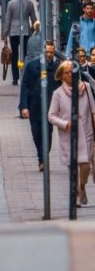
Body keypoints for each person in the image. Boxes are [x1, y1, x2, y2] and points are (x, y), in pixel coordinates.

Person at [48, 61, 95, 205]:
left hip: (86, 133)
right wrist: (64, 123)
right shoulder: (58, 94)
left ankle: (82, 186)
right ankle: (74, 197)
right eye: (68, 73)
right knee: (73, 168)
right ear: (62, 76)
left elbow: (93, 109)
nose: (71, 75)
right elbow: (51, 115)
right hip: (69, 136)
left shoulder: (85, 88)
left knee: (86, 165)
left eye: (73, 72)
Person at [20, 41, 60, 171]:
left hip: (50, 108)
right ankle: (41, 157)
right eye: (47, 52)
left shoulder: (56, 68)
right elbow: (25, 86)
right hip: (35, 106)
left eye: (51, 52)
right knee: (36, 133)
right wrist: (24, 106)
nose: (49, 55)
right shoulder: (32, 66)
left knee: (47, 133)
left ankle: (44, 159)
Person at [1, 0, 37, 85]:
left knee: (14, 55)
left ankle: (15, 78)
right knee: (25, 55)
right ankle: (25, 76)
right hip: (26, 31)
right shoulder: (29, 3)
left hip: (13, 32)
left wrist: (5, 34)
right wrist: (32, 31)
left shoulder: (11, 4)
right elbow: (34, 19)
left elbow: (8, 20)